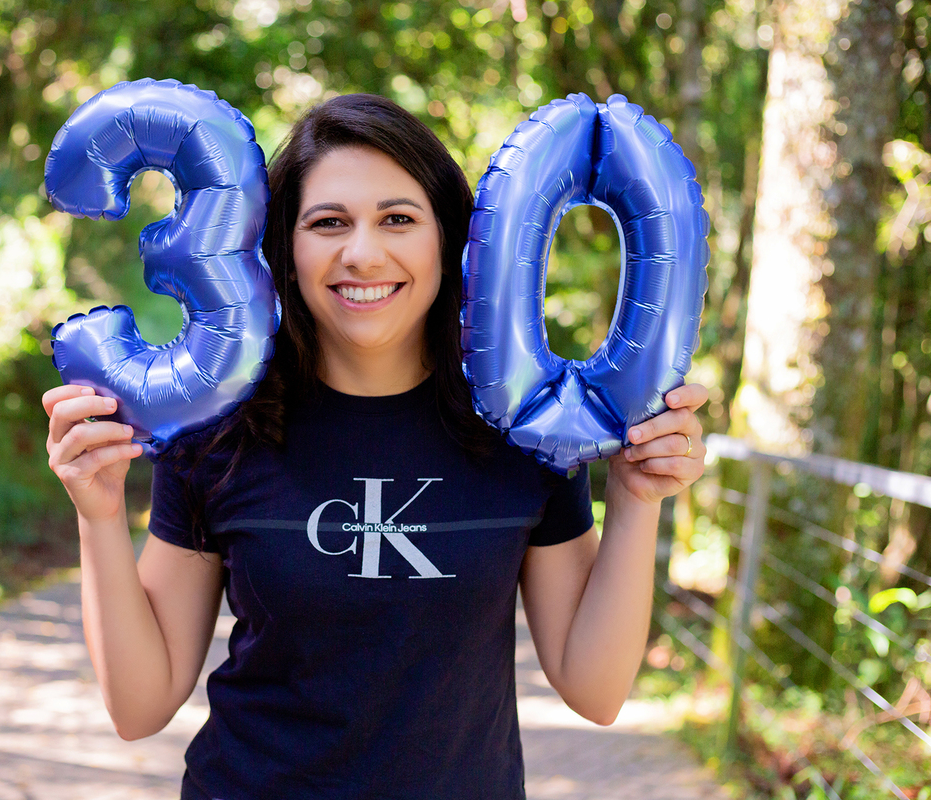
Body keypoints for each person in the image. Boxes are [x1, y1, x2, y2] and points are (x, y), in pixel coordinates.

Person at [41, 93, 709, 799]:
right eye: (328, 222)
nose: (362, 253)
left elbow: (595, 690)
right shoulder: (219, 431)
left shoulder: (529, 429)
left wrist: (638, 498)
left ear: (449, 240)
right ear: (284, 249)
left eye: (397, 219)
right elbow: (139, 707)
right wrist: (99, 513)